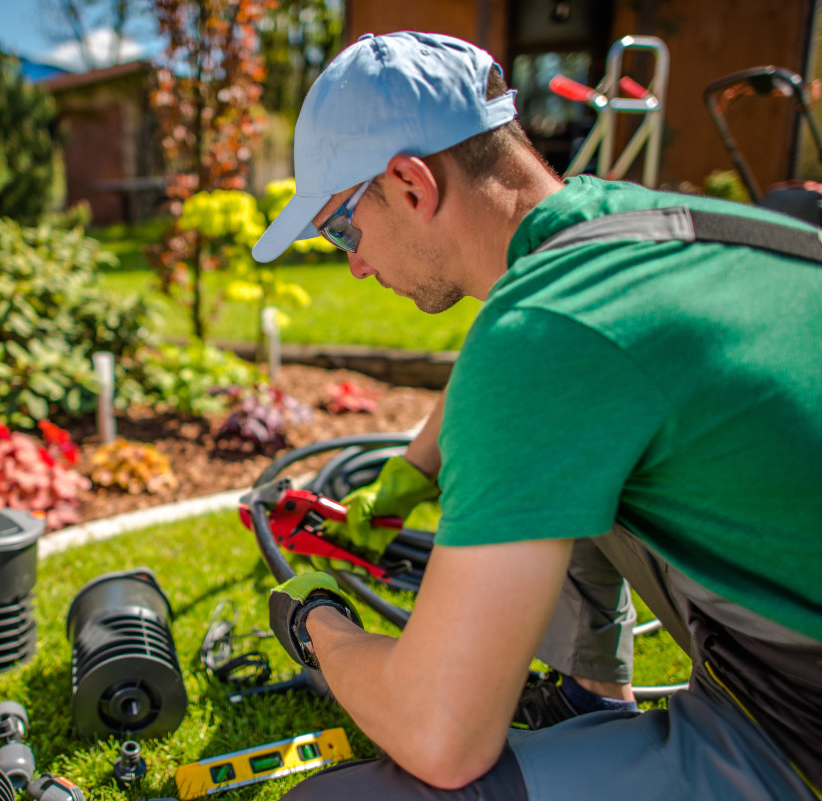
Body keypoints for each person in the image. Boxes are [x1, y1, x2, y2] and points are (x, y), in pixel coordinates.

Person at [252, 31, 822, 801]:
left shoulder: (545, 335)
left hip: (793, 725)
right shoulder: (623, 228)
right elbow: (548, 376)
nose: (352, 261)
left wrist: (317, 625)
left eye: (341, 228)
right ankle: (593, 700)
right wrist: (410, 475)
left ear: (413, 184)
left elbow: (438, 737)